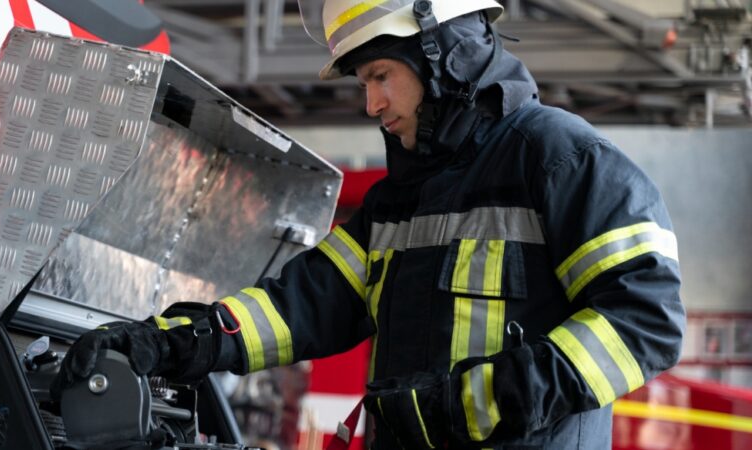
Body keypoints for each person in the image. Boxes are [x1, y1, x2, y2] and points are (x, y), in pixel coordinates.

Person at [53, 1, 686, 448]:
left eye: (381, 75)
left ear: (444, 54)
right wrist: (169, 342)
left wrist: (473, 406)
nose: (371, 103)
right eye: (364, 82)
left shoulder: (561, 159)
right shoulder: (398, 202)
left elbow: (645, 319)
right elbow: (300, 306)